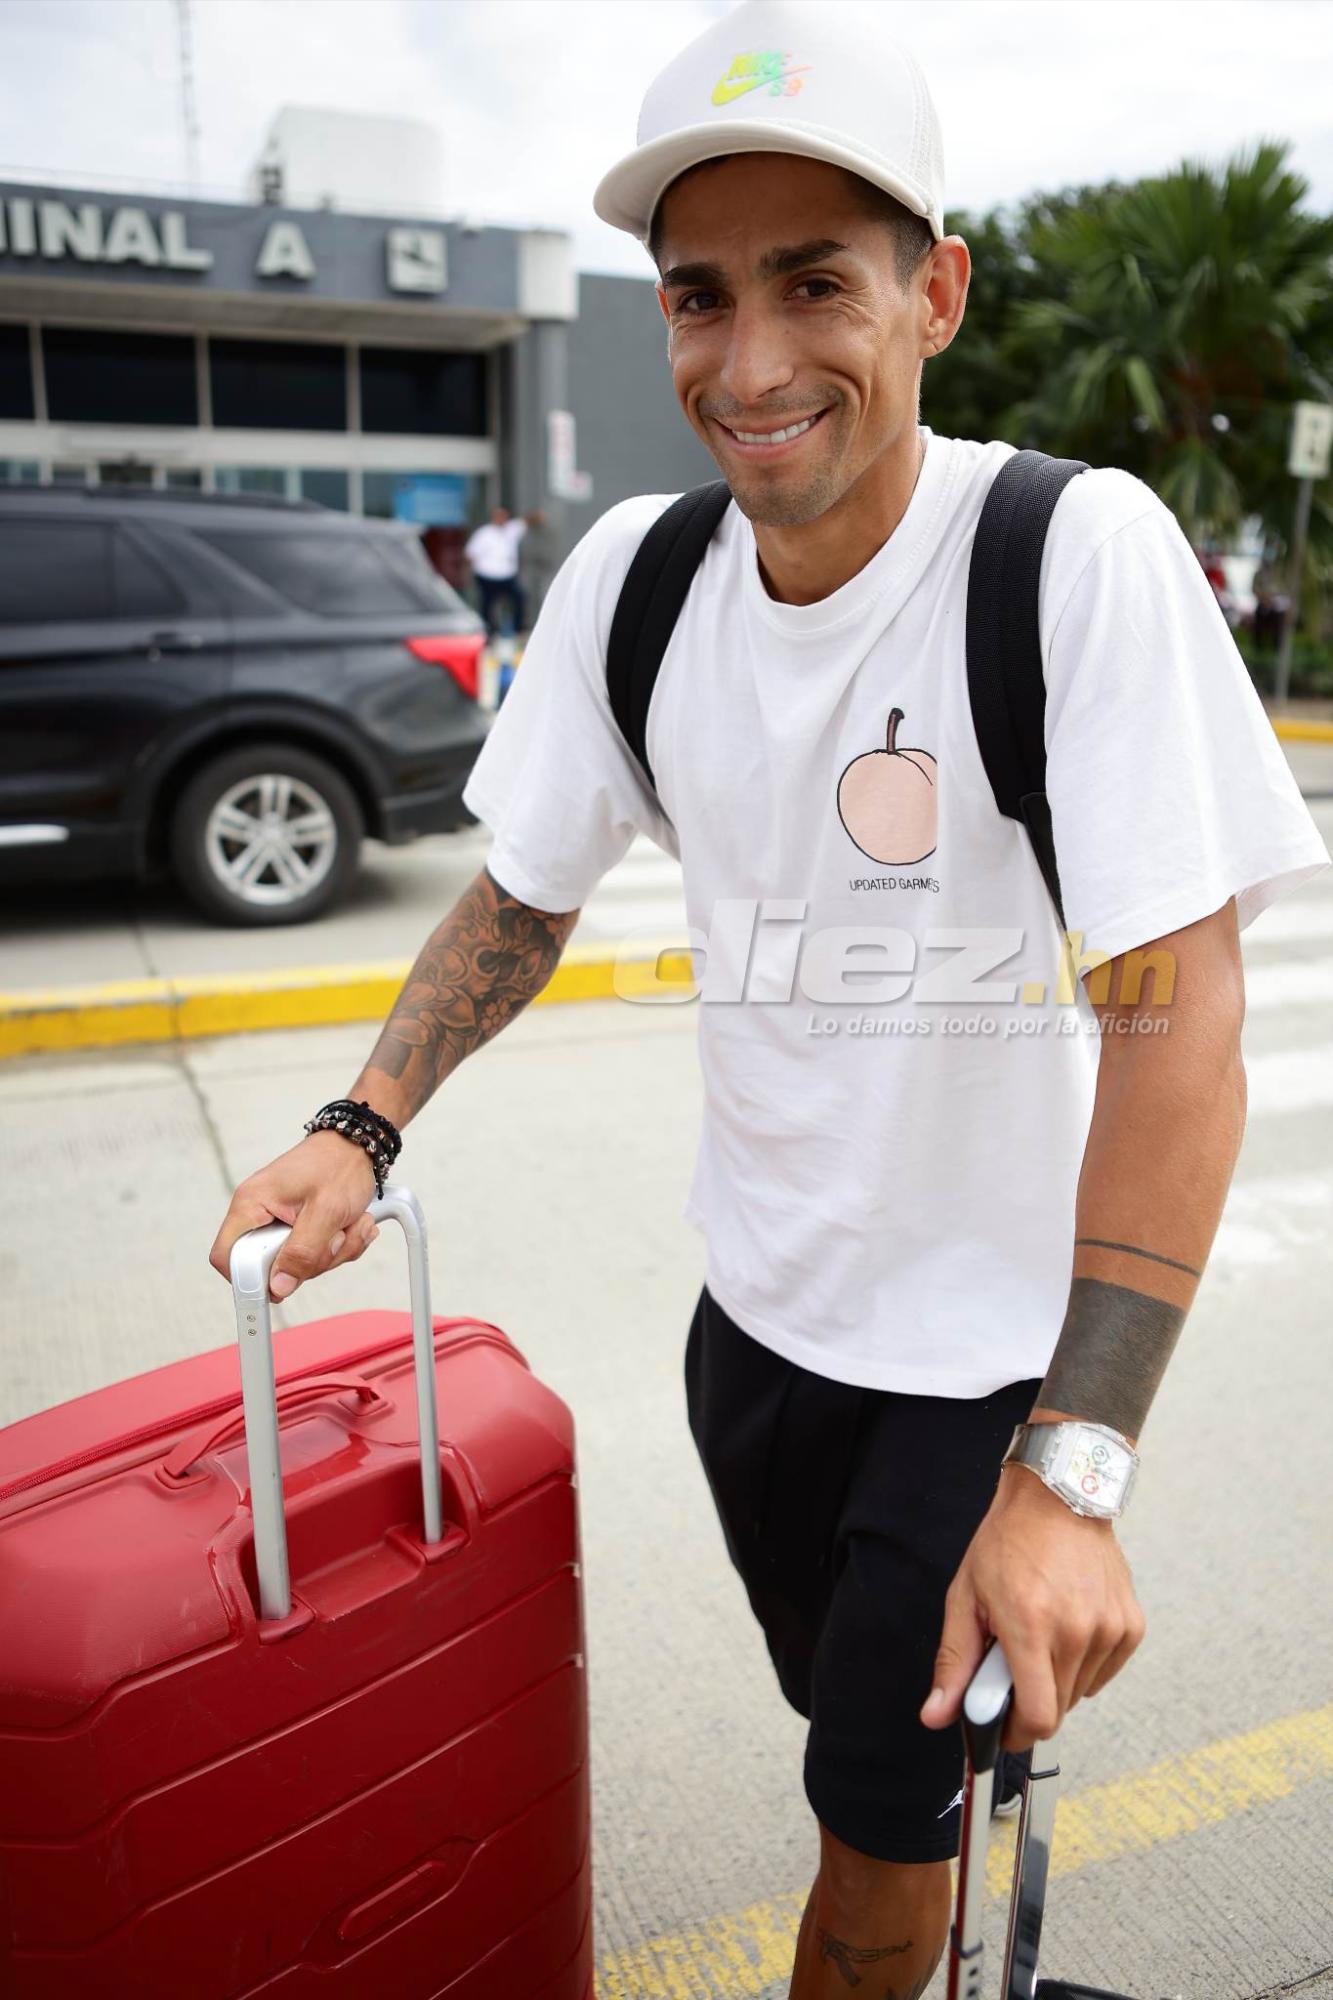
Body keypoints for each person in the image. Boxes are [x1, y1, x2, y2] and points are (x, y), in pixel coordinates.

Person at [209, 6, 1331, 1995]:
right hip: (755, 1343)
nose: (748, 362)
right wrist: (360, 1122)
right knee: (866, 1747)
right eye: (696, 295)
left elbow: (1185, 1019)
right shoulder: (638, 587)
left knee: (867, 1842)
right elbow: (523, 890)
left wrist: (1071, 1473)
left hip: (988, 1374)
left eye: (816, 281)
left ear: (935, 294)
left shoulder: (1067, 560)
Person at [462, 503, 544, 637]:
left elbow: (527, 520)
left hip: (507, 576)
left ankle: (518, 629)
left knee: (519, 598)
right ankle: (489, 632)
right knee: (487, 605)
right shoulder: (484, 533)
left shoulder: (512, 529)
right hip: (487, 576)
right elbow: (469, 554)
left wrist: (539, 515)